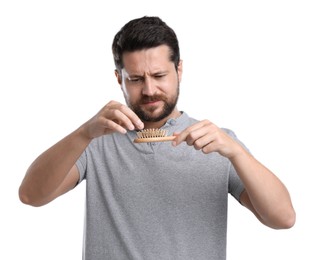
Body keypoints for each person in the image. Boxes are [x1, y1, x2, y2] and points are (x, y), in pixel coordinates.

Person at [19, 16, 296, 260]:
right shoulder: (96, 142)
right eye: (136, 79)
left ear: (179, 71)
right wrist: (83, 133)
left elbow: (283, 218)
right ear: (119, 79)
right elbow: (31, 195)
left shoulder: (218, 144)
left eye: (159, 75)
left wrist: (236, 152)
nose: (149, 89)